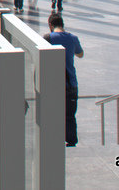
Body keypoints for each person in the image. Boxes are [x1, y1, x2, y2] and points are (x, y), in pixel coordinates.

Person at [45, 14, 83, 147]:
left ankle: (54, 139)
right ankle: (71, 141)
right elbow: (80, 54)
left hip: (55, 83)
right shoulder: (73, 38)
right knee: (70, 115)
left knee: (54, 113)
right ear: (63, 24)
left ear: (50, 25)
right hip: (71, 83)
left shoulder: (48, 38)